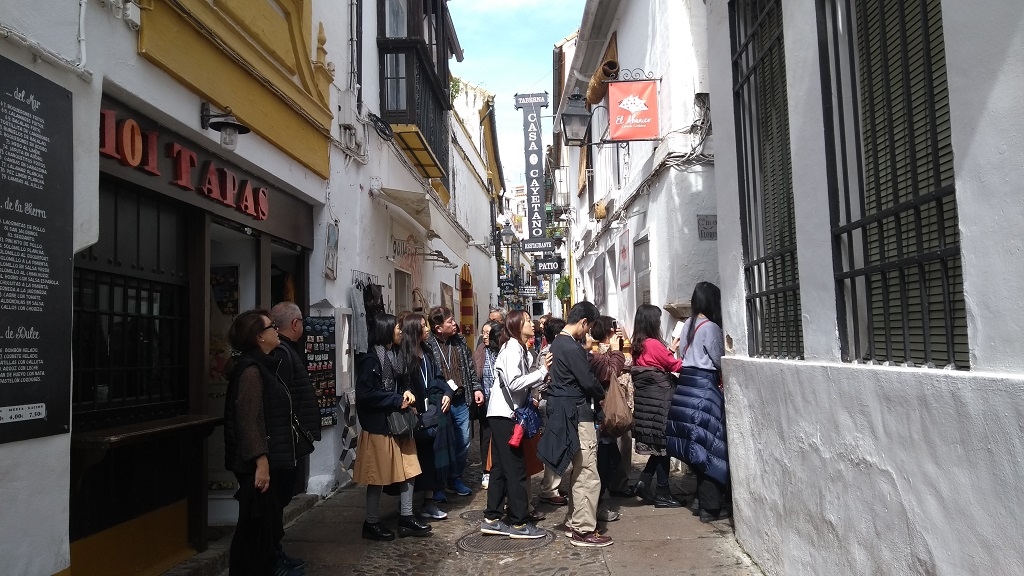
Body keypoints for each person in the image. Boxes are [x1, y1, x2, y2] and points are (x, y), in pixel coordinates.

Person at [223, 310, 301, 576]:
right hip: (258, 464)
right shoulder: (251, 371)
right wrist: (261, 461)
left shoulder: (264, 365)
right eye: (270, 327)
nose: (275, 331)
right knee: (254, 526)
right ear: (259, 337)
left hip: (269, 458)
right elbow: (249, 419)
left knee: (263, 524)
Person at [537, 301, 613, 548]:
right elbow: (589, 381)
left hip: (566, 411)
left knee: (580, 469)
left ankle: (575, 521)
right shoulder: (571, 346)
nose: (588, 332)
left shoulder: (557, 344)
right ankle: (583, 529)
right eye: (588, 327)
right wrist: (601, 391)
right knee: (588, 471)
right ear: (583, 322)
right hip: (578, 414)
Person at [354, 314, 426, 540]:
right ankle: (371, 523)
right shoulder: (371, 360)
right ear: (386, 330)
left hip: (399, 423)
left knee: (409, 469)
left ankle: (406, 517)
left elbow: (402, 382)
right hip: (379, 426)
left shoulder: (396, 355)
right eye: (397, 328)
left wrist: (406, 392)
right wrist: (394, 399)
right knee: (376, 476)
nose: (401, 331)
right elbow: (365, 395)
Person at [479, 310, 550, 539]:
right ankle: (519, 523)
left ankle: (492, 517)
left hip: (502, 414)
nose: (532, 323)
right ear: (517, 325)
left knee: (499, 467)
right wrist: (542, 372)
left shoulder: (517, 348)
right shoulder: (510, 348)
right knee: (516, 467)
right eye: (528, 320)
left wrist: (530, 356)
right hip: (505, 415)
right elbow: (513, 382)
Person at [665, 282, 730, 523]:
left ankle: (699, 500)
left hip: (686, 387)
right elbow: (718, 358)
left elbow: (682, 355)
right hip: (704, 388)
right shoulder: (711, 327)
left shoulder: (688, 324)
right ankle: (710, 508)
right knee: (712, 447)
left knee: (699, 447)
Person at [268, 302, 320, 570]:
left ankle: (275, 554)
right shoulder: (282, 354)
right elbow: (285, 402)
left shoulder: (283, 351)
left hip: (284, 443)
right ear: (296, 324)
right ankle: (273, 557)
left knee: (278, 501)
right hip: (282, 444)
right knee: (276, 502)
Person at [425, 306, 485, 499]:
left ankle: (455, 477)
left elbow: (470, 367)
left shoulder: (459, 342)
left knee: (463, 442)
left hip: (460, 400)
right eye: (449, 321)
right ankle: (438, 485)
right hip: (440, 403)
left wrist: (476, 388)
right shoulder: (428, 345)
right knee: (441, 444)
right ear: (438, 328)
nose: (454, 323)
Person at [399, 313, 453, 521]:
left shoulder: (428, 351)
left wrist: (447, 393)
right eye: (423, 326)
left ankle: (428, 502)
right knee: (412, 462)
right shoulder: (404, 354)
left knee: (430, 459)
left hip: (431, 413)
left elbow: (439, 378)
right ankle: (406, 506)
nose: (428, 329)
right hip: (413, 415)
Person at [629, 303, 684, 508]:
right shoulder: (653, 344)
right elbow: (674, 365)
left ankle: (644, 482)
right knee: (663, 448)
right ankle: (663, 492)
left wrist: (669, 350)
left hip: (648, 405)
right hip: (660, 404)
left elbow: (654, 362)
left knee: (658, 447)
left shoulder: (639, 344)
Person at [588, 315, 627, 522]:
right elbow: (611, 371)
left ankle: (602, 498)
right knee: (602, 462)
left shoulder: (603, 351)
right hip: (601, 414)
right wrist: (616, 350)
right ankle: (598, 504)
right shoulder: (596, 354)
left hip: (603, 415)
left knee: (610, 458)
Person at [536, 317, 569, 507]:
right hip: (550, 401)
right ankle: (549, 488)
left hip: (552, 401)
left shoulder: (550, 351)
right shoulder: (549, 353)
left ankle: (552, 485)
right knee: (554, 445)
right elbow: (543, 380)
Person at [473, 320, 504, 490]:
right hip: (486, 403)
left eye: (488, 333)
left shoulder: (502, 352)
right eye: (483, 332)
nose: (485, 336)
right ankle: (486, 470)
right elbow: (475, 374)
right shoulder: (480, 351)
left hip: (502, 403)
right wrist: (477, 389)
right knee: (486, 437)